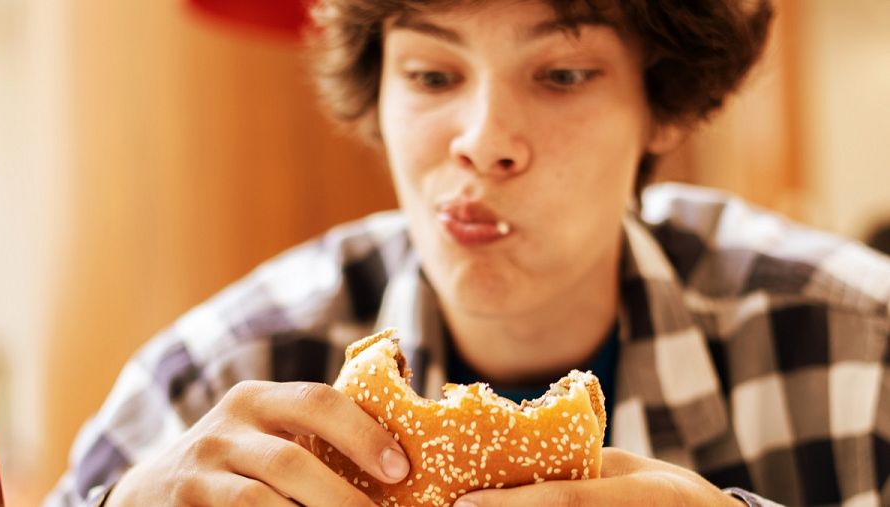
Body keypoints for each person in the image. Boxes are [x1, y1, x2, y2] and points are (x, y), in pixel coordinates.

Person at [46, 0, 890, 506]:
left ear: (662, 105)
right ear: (375, 91)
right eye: (431, 75)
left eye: (561, 74)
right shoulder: (210, 377)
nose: (484, 142)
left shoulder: (864, 349)